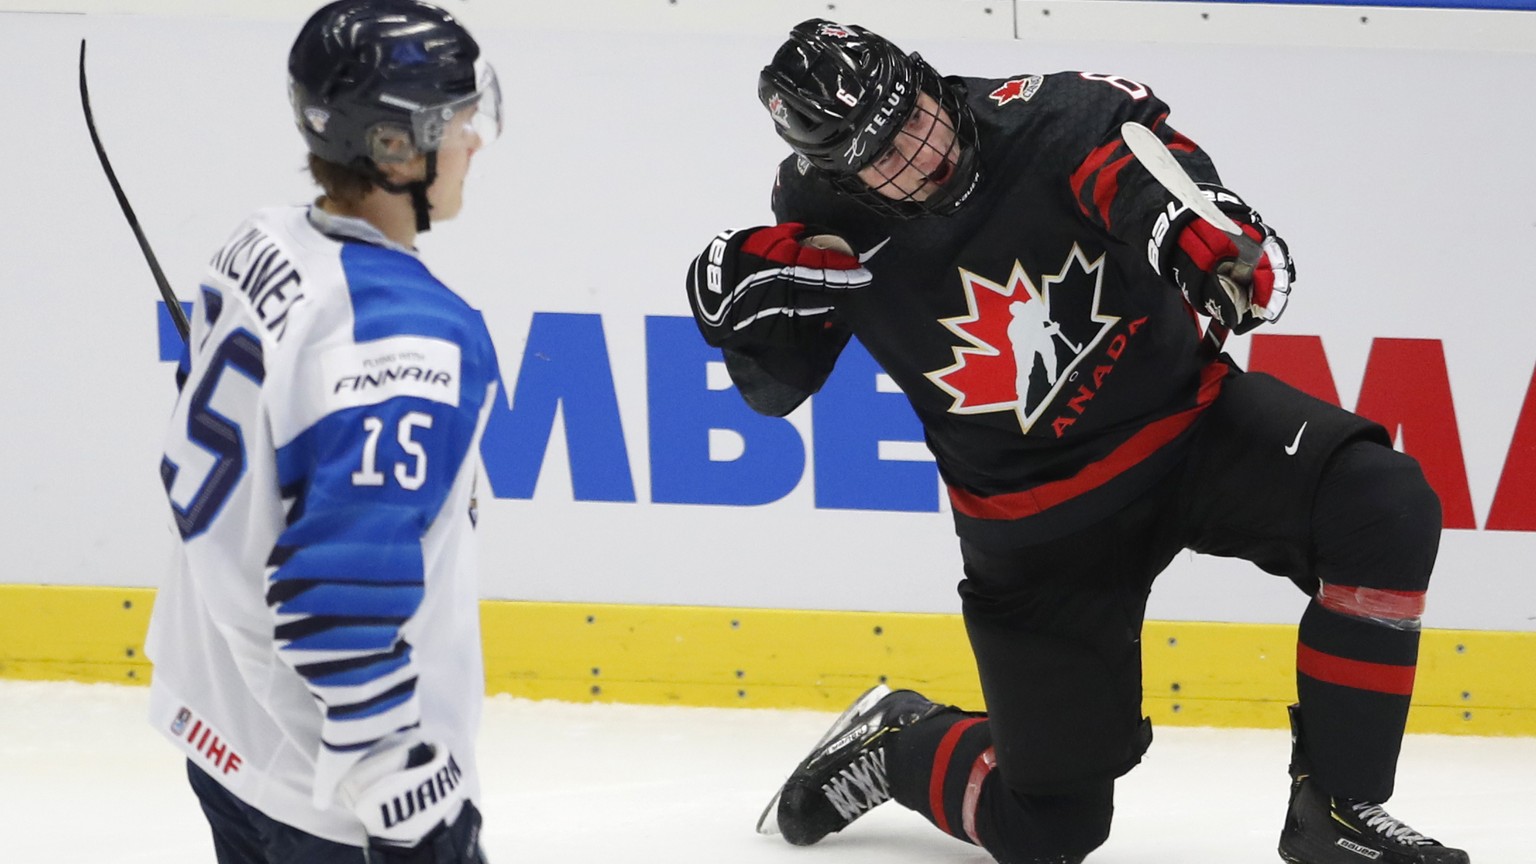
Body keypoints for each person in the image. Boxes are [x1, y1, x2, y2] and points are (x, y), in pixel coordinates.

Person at [685, 18, 1467, 864]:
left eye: (912, 115)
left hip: (1193, 428)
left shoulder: (1054, 119)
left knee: (1380, 502)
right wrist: (739, 320)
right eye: (881, 155)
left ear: (924, 78)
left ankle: (1336, 811)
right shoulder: (820, 217)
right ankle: (899, 744)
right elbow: (777, 393)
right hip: (1037, 528)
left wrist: (1208, 239)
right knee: (1049, 830)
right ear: (836, 171)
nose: (919, 154)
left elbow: (1148, 177)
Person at [146, 1, 503, 861]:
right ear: (392, 146)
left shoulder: (257, 240)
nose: (474, 141)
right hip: (330, 794)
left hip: (220, 727)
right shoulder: (409, 331)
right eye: (455, 120)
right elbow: (337, 597)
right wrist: (404, 794)